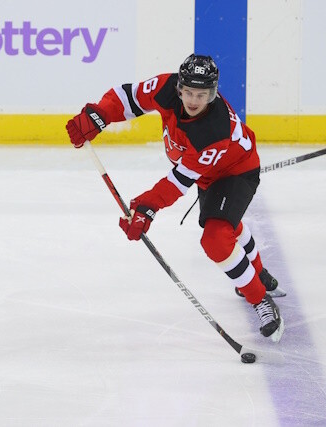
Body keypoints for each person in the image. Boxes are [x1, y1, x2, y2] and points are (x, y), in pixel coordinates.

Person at [65, 53, 285, 342]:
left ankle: (259, 298)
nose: (193, 101)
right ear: (179, 87)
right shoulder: (166, 87)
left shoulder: (213, 131)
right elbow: (127, 97)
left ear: (213, 94)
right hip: (206, 171)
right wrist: (100, 114)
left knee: (216, 238)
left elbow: (179, 180)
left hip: (236, 171)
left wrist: (146, 207)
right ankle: (259, 273)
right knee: (226, 223)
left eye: (202, 95)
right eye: (189, 92)